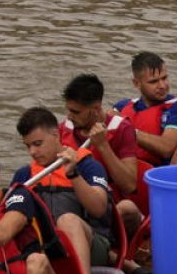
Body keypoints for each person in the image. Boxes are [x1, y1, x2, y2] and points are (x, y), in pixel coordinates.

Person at [14, 107, 113, 274]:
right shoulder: (24, 175)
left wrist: (73, 174)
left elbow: (99, 209)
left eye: (38, 144)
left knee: (67, 220)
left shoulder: (88, 166)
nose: (32, 152)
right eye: (28, 146)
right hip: (46, 250)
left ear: (56, 135)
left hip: (92, 247)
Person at [61, 73, 143, 237]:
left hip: (109, 206)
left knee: (128, 208)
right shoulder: (63, 128)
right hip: (70, 203)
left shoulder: (122, 129)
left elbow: (129, 185)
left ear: (96, 109)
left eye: (76, 112)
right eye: (69, 111)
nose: (70, 116)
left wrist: (102, 145)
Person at [112, 51, 177, 166]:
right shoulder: (121, 107)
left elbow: (167, 148)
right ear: (136, 83)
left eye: (164, 78)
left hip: (163, 173)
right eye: (154, 82)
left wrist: (127, 129)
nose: (162, 86)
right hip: (129, 171)